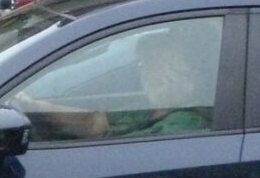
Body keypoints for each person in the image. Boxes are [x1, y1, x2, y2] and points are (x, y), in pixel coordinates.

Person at [15, 32, 211, 140]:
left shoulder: (186, 122)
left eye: (145, 65)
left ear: (170, 72)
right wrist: (32, 106)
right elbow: (94, 122)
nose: (141, 73)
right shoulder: (148, 107)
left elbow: (124, 152)